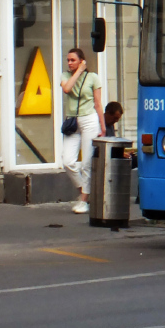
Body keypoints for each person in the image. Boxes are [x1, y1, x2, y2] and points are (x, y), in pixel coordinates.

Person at [61, 48, 103, 215]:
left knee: (86, 163)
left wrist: (103, 125)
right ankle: (85, 190)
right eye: (68, 60)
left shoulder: (93, 77)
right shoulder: (65, 76)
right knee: (68, 161)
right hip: (72, 122)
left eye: (73, 60)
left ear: (81, 60)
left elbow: (98, 103)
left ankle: (84, 200)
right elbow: (67, 89)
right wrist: (78, 71)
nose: (69, 63)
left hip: (89, 120)